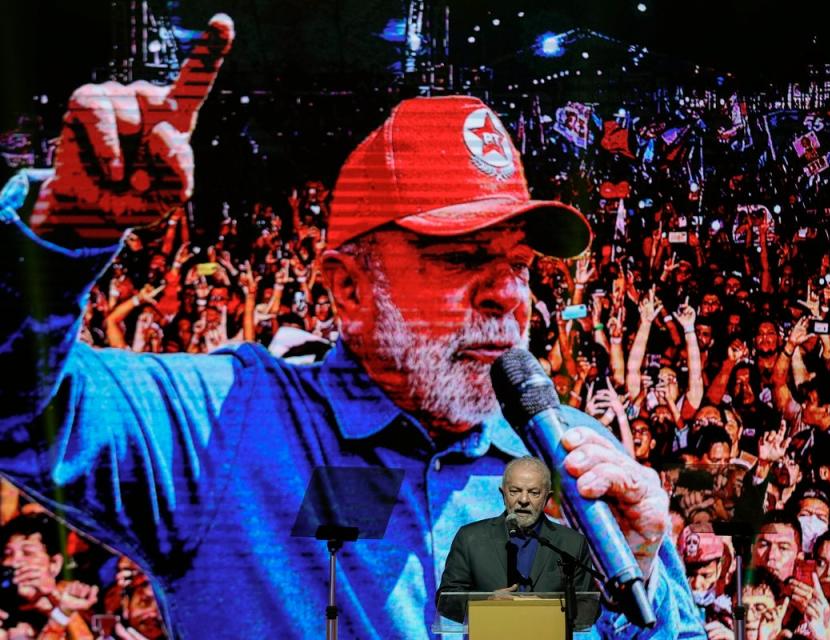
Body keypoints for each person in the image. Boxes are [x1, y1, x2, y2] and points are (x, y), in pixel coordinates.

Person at [0, 14, 700, 640]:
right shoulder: (225, 429)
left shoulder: (580, 466)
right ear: (348, 289)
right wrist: (60, 239)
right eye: (462, 257)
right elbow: (18, 412)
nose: (507, 293)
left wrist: (637, 590)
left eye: (520, 262)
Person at [436, 457, 599, 624]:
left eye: (534, 493)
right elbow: (446, 600)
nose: (523, 500)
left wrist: (550, 607)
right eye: (515, 491)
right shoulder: (470, 536)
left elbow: (590, 608)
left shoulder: (571, 542)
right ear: (503, 493)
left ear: (547, 497)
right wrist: (484, 603)